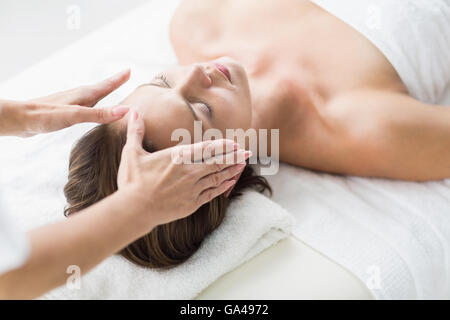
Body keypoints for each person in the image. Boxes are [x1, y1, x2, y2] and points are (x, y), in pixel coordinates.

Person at [0, 70, 247, 299]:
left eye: (161, 81)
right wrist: (141, 205)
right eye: (204, 108)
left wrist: (16, 116)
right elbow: (10, 275)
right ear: (227, 175)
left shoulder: (190, 33)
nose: (195, 71)